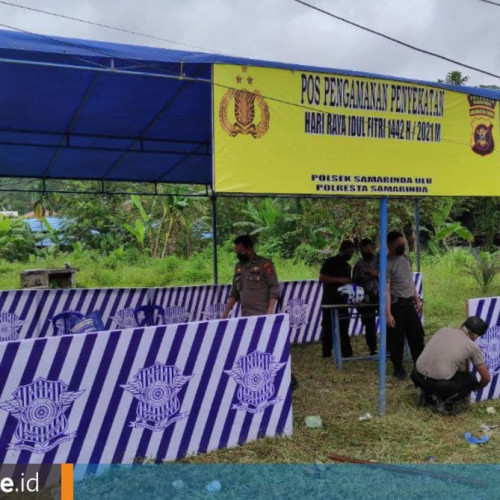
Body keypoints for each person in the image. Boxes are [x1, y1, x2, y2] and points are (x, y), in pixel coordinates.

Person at [411, 316, 491, 414]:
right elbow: (486, 377)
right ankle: (445, 404)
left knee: (445, 370)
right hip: (436, 383)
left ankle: (428, 395)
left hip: (416, 374)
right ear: (475, 335)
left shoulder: (443, 330)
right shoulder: (472, 347)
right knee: (470, 379)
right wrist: (478, 386)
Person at [386, 230, 425, 379]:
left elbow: (411, 282)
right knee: (397, 338)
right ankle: (398, 368)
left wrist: (417, 301)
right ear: (389, 245)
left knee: (417, 335)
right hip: (396, 304)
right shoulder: (387, 263)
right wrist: (388, 313)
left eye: (404, 244)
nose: (402, 247)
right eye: (398, 245)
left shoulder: (406, 259)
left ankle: (419, 366)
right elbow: (386, 289)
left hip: (409, 303)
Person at [223, 234, 280, 318]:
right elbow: (234, 293)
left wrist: (270, 310)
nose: (238, 255)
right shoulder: (239, 266)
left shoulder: (265, 264)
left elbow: (274, 287)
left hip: (262, 314)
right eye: (237, 252)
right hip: (245, 315)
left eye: (240, 252)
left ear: (249, 249)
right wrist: (226, 312)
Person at [319, 240, 355, 358]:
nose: (350, 255)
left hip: (342, 301)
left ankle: (346, 352)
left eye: (352, 253)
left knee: (344, 327)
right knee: (328, 327)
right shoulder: (329, 262)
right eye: (349, 252)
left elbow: (348, 281)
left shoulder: (347, 266)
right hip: (329, 300)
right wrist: (339, 280)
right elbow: (322, 277)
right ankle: (326, 353)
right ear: (343, 250)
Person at [353, 238, 378, 355]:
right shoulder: (358, 265)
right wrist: (368, 275)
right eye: (363, 248)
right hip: (366, 297)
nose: (366, 250)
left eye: (368, 247)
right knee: (369, 324)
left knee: (389, 320)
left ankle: (390, 348)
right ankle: (372, 349)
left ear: (372, 246)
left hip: (381, 295)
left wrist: (377, 274)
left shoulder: (381, 260)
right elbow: (355, 281)